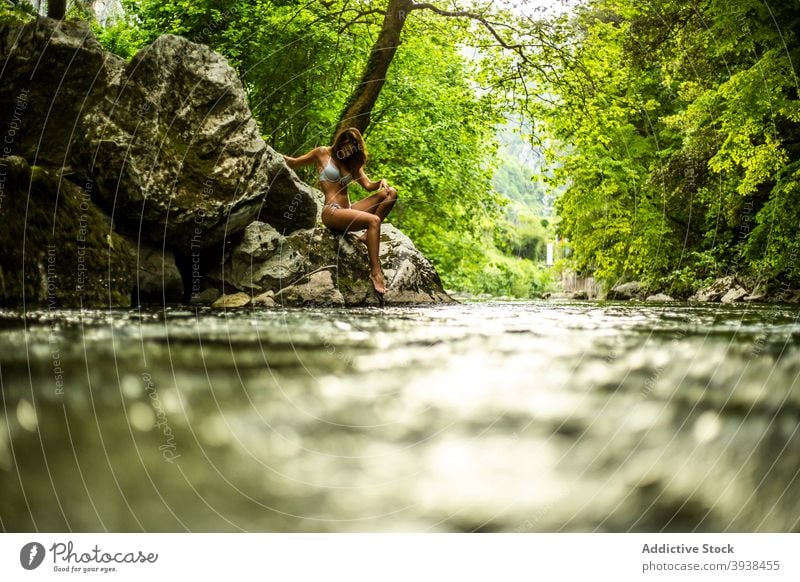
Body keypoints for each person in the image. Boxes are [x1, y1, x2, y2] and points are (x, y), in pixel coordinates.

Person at [282, 127, 398, 295]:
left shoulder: (352, 163)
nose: (347, 151)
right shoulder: (322, 153)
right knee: (374, 221)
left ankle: (367, 236)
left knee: (391, 193)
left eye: (351, 149)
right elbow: (293, 162)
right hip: (332, 212)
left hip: (348, 210)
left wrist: (381, 181)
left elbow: (368, 186)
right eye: (345, 147)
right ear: (340, 142)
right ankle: (375, 272)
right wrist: (269, 153)